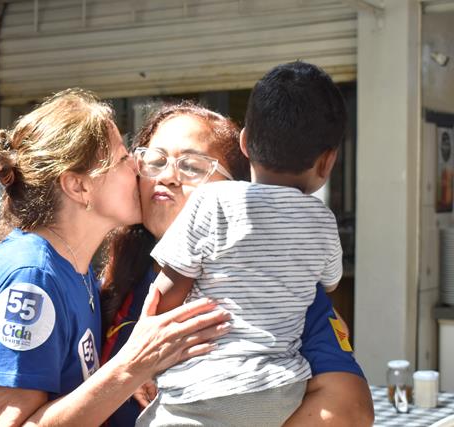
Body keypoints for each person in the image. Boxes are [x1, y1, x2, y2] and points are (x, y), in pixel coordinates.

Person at [0, 88, 231, 426]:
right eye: (123, 159)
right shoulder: (32, 277)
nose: (138, 166)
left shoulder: (78, 271)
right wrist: (132, 367)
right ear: (79, 188)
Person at [101, 99, 374, 426]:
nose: (167, 177)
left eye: (191, 166)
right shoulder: (108, 280)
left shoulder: (280, 289)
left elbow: (348, 407)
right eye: (155, 161)